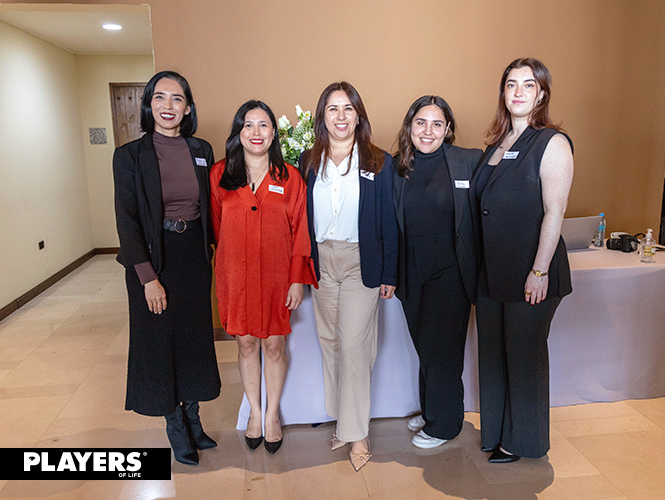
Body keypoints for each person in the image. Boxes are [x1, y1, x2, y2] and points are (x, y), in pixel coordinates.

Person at [113, 71, 221, 466]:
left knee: (193, 340)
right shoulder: (129, 156)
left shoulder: (201, 149)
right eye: (160, 98)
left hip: (192, 255)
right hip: (153, 258)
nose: (168, 106)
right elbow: (127, 220)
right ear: (149, 105)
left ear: (188, 107)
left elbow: (213, 207)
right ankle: (174, 425)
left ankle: (193, 420)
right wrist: (147, 278)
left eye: (177, 99)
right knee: (160, 343)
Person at [471, 58, 574, 462]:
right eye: (511, 84)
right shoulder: (496, 145)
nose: (518, 92)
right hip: (492, 273)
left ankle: (524, 440)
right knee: (494, 357)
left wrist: (539, 270)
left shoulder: (552, 142)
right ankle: (496, 431)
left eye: (528, 85)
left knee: (524, 356)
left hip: (531, 271)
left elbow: (555, 210)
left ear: (542, 93)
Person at [300, 81, 398, 471]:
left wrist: (390, 270)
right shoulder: (309, 162)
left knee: (356, 347)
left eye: (348, 109)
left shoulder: (378, 161)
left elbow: (389, 220)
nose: (341, 117)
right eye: (332, 109)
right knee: (331, 343)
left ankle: (358, 435)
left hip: (362, 262)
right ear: (322, 116)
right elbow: (300, 219)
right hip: (322, 261)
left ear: (359, 115)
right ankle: (344, 420)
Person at [209, 100, 316, 455]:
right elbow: (216, 227)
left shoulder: (290, 177)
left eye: (264, 125)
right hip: (235, 275)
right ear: (238, 133)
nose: (256, 133)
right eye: (248, 125)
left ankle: (272, 415)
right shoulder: (219, 175)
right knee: (246, 343)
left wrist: (297, 279)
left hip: (276, 276)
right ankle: (254, 411)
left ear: (274, 133)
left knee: (273, 344)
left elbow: (301, 230)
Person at [393, 96, 482, 449]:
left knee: (443, 349)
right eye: (420, 123)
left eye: (436, 124)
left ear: (448, 130)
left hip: (451, 269)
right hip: (410, 268)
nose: (427, 131)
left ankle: (445, 424)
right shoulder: (397, 167)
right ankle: (432, 409)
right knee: (424, 345)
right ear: (409, 126)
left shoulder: (468, 161)